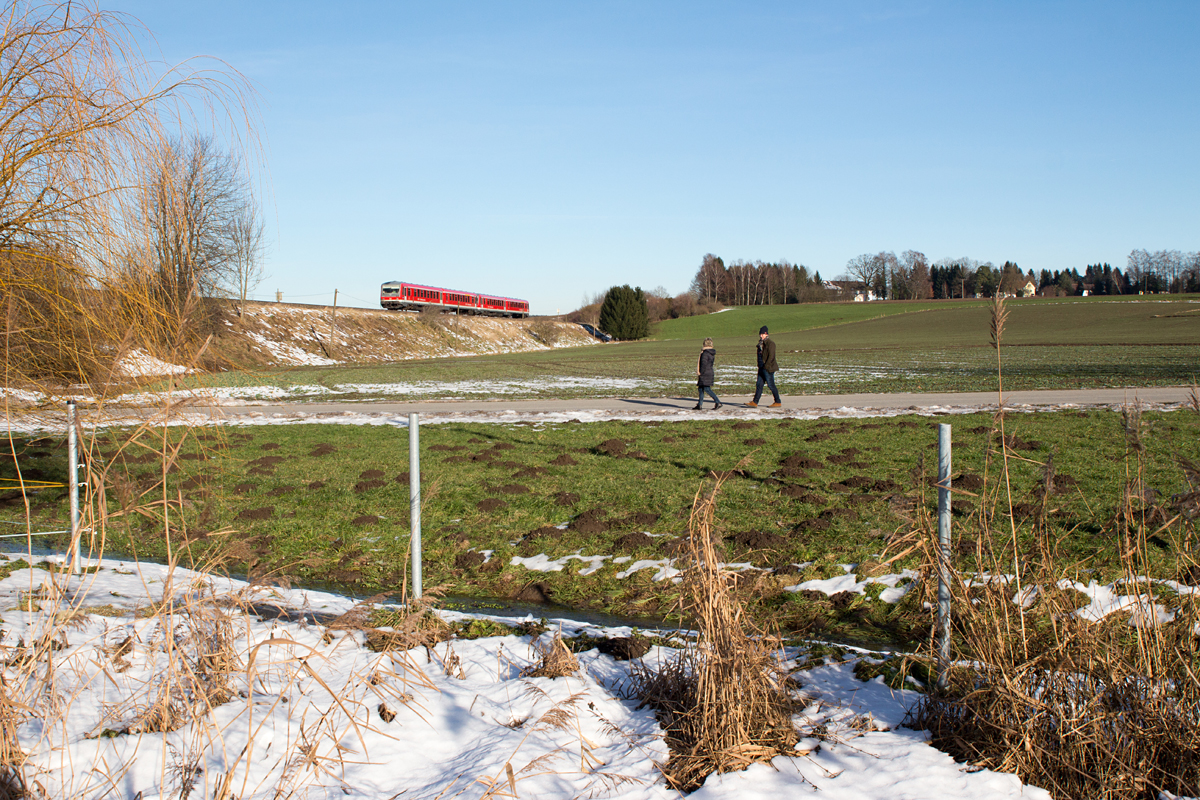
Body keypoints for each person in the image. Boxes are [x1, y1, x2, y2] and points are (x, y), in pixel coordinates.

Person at [747, 325, 781, 407]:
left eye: (762, 334)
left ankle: (777, 401)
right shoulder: (760, 344)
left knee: (771, 385)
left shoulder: (771, 344)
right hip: (761, 367)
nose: (761, 336)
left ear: (766, 334)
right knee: (759, 385)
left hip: (768, 368)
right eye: (760, 334)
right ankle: (755, 402)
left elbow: (771, 356)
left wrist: (766, 366)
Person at [694, 337, 721, 410]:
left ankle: (718, 402)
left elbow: (703, 364)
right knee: (701, 388)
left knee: (707, 389)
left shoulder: (705, 353)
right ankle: (699, 404)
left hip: (705, 373)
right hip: (709, 372)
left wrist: (700, 373)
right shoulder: (711, 353)